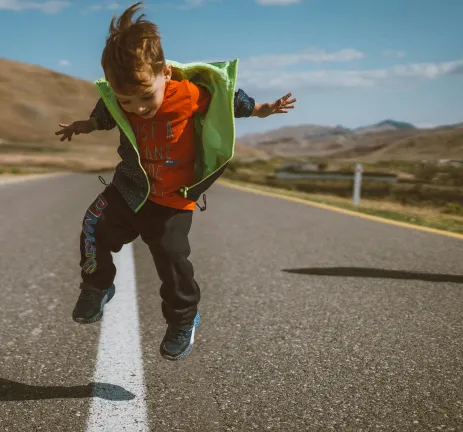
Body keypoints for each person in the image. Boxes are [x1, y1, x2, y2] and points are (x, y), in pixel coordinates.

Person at [55, 1, 295, 361]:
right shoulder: (120, 101)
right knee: (93, 226)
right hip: (129, 188)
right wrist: (86, 124)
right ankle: (96, 285)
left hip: (171, 200)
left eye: (145, 97)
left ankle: (183, 320)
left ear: (165, 73)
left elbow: (227, 99)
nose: (136, 108)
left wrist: (262, 109)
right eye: (126, 100)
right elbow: (106, 111)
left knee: (172, 263)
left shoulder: (189, 93)